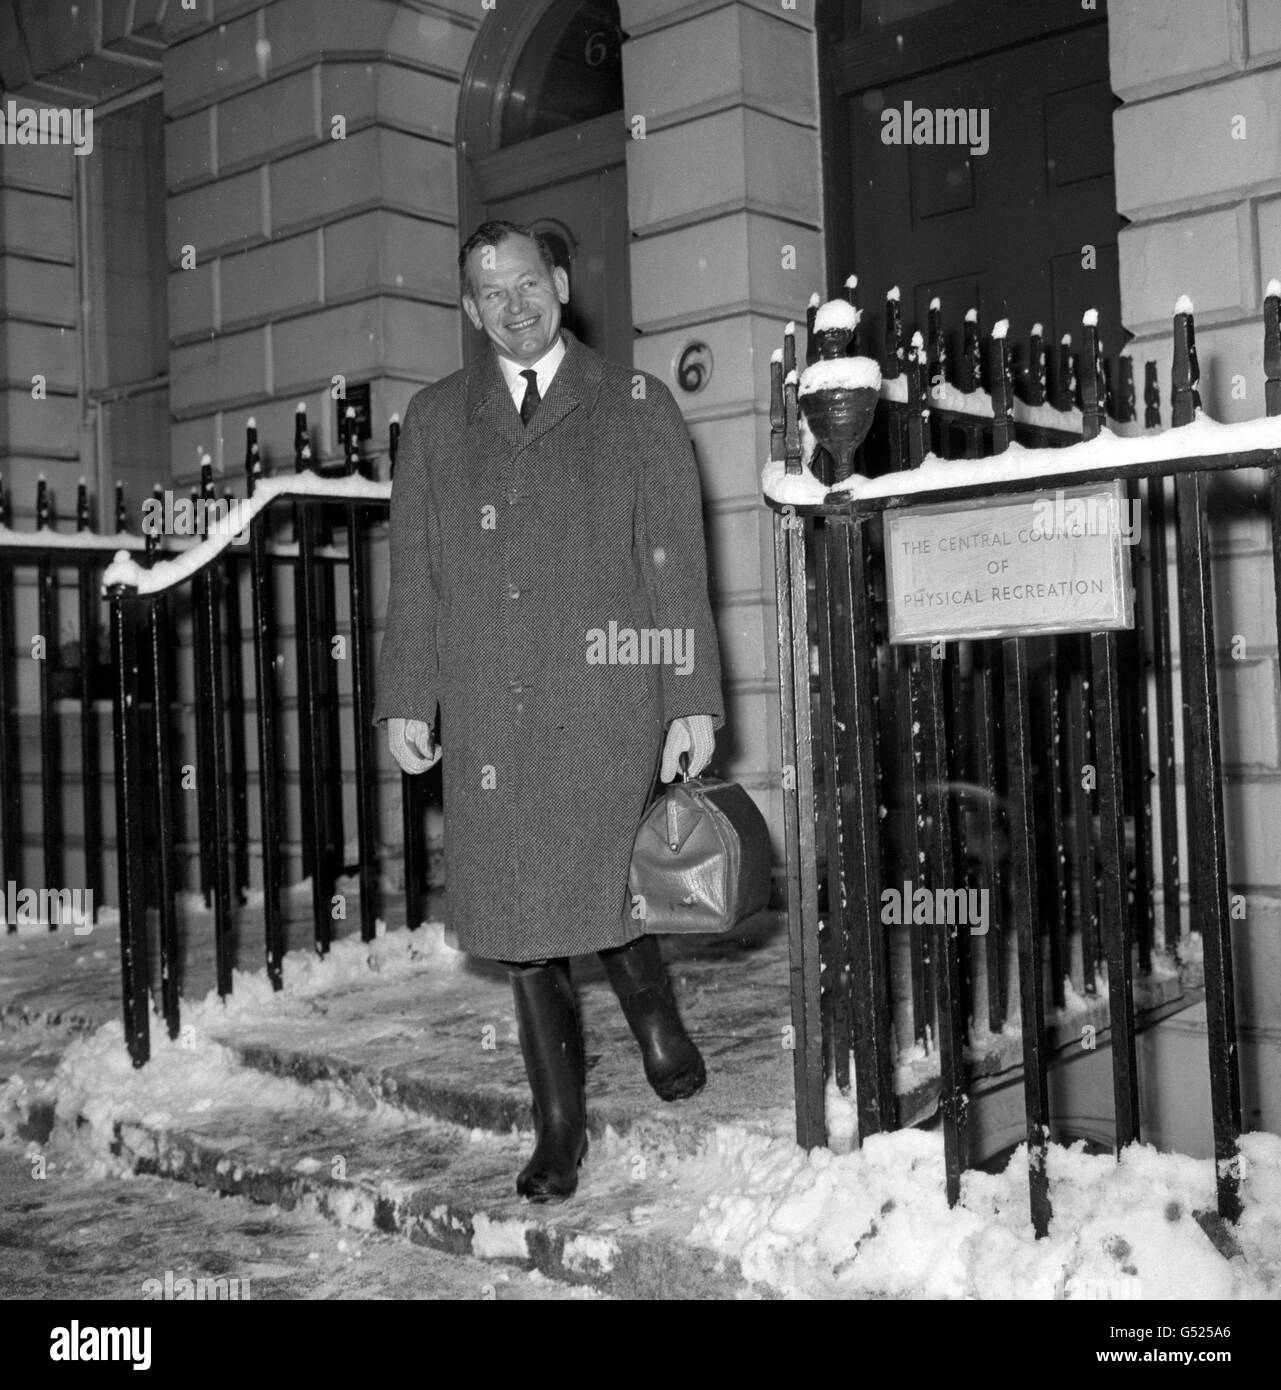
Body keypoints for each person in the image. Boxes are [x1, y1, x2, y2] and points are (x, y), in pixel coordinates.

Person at [373, 219, 724, 1201]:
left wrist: (689, 695)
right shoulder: (438, 418)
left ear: (561, 283)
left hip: (606, 691)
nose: (513, 304)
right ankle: (559, 1123)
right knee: (525, 922)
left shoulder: (634, 402)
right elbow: (418, 576)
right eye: (491, 292)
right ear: (469, 309)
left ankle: (653, 1012)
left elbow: (672, 563)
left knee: (605, 874)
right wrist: (407, 695)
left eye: (527, 282)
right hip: (493, 708)